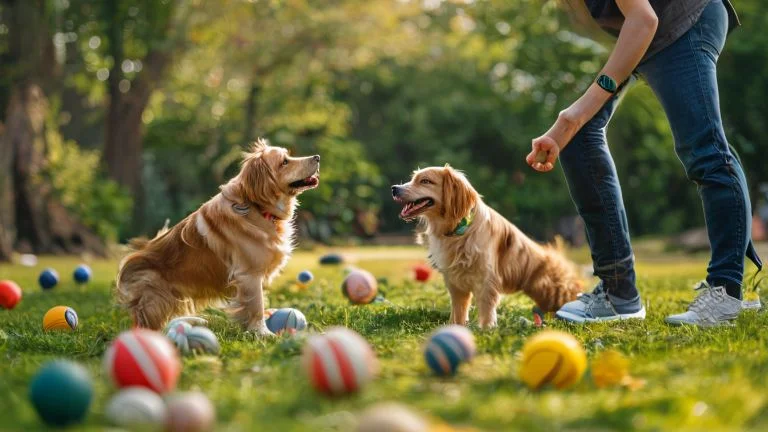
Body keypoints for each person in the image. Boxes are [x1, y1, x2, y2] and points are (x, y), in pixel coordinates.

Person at [525, 0, 762, 325]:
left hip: (684, 22)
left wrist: (575, 115)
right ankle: (618, 292)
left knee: (704, 150)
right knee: (577, 136)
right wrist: (566, 125)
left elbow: (642, 19)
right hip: (647, 38)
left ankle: (725, 292)